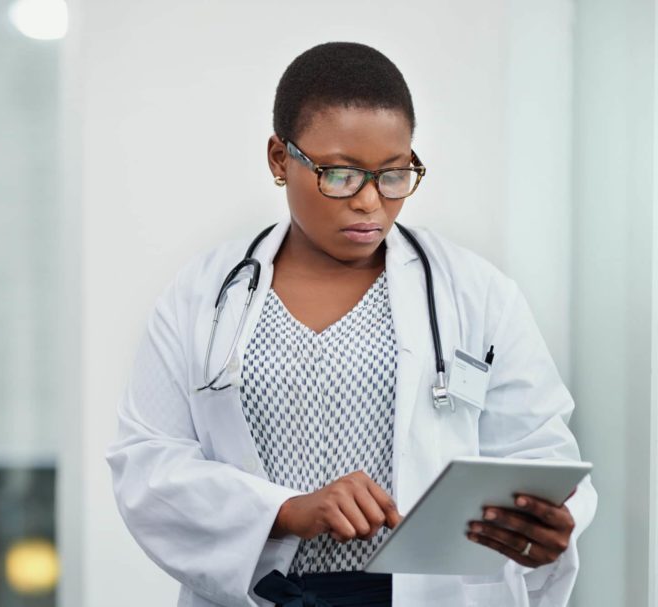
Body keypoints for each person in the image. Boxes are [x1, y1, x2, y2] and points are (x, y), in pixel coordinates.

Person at [106, 41, 597, 607]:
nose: (370, 203)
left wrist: (552, 524)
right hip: (269, 594)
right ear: (278, 159)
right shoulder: (201, 296)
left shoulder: (476, 293)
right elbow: (147, 462)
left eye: (393, 175)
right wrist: (285, 512)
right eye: (340, 175)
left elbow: (541, 454)